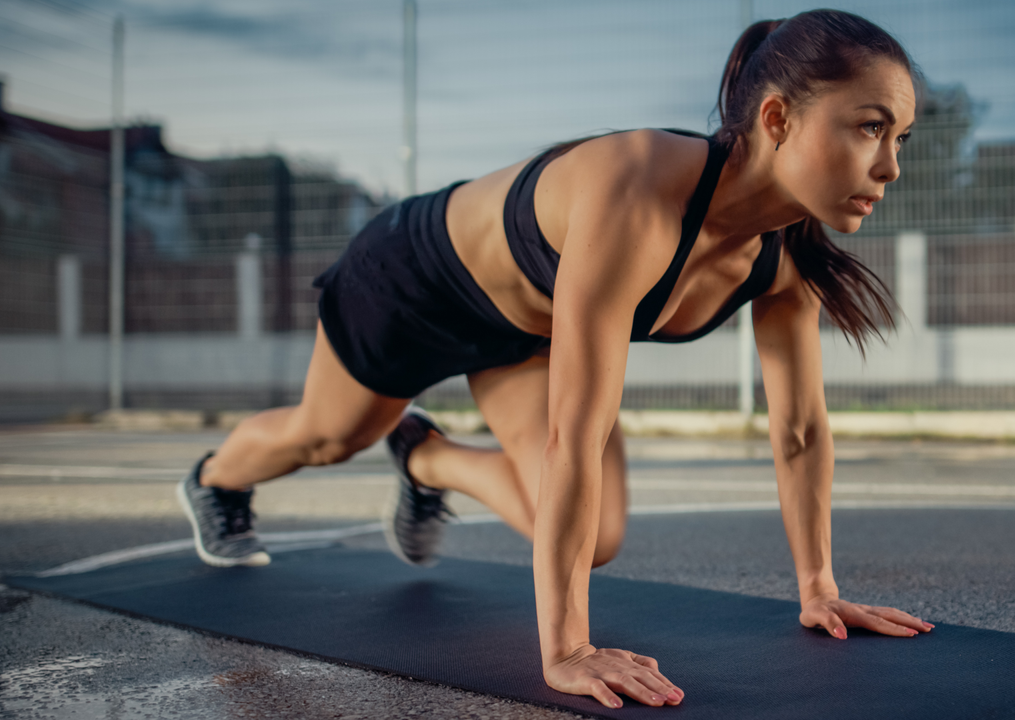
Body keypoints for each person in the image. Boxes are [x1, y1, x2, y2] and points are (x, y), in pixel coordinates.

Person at [176, 9, 935, 710]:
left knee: (593, 539)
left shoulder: (782, 265)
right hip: (413, 283)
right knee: (327, 437)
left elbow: (799, 431)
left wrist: (819, 587)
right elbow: (575, 434)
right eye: (870, 128)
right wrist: (567, 648)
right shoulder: (635, 191)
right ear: (777, 117)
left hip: (524, 332)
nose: (890, 166)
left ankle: (424, 459)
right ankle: (215, 480)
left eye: (900, 138)